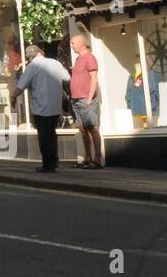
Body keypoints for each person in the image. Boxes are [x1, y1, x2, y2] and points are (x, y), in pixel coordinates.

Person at [10, 45, 68, 172]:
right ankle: (54, 161)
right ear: (41, 52)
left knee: (44, 136)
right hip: (55, 106)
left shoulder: (32, 67)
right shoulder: (55, 63)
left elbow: (21, 86)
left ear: (29, 57)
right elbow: (67, 78)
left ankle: (48, 164)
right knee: (52, 134)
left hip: (40, 107)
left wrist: (12, 97)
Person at [69, 32, 103, 168]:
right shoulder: (78, 59)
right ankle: (87, 157)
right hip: (76, 99)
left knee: (92, 128)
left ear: (81, 43)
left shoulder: (90, 58)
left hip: (86, 99)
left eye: (73, 43)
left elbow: (94, 78)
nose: (71, 46)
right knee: (82, 129)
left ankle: (98, 159)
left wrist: (90, 98)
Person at [125, 65, 159, 129]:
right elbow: (128, 93)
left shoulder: (150, 74)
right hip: (136, 113)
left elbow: (154, 92)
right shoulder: (132, 76)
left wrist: (150, 108)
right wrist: (131, 106)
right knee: (138, 136)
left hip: (150, 113)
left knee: (152, 135)